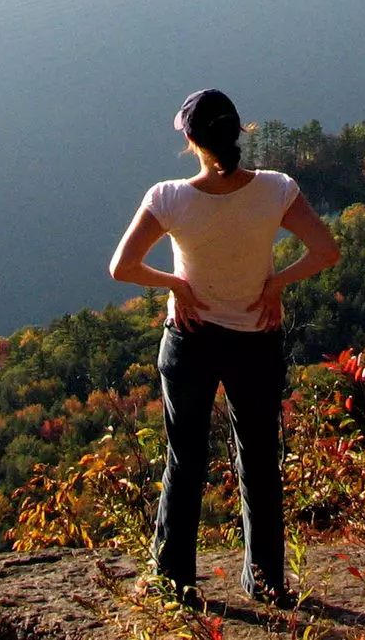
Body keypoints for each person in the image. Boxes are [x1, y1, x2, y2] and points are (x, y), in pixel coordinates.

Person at [108, 87, 340, 609]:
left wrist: (175, 284)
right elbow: (326, 251)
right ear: (240, 132)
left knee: (185, 459)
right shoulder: (277, 189)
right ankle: (267, 582)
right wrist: (276, 283)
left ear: (191, 141)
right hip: (255, 338)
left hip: (190, 340)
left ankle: (174, 582)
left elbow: (122, 268)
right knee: (258, 459)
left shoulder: (168, 198)